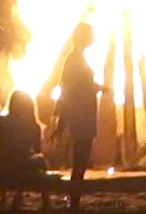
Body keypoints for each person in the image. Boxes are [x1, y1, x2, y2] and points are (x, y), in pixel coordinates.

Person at [53, 22, 100, 208]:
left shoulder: (77, 58)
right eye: (91, 33)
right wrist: (98, 87)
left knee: (80, 159)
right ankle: (74, 201)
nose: (94, 36)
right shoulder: (74, 59)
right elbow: (71, 88)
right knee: (80, 159)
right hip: (81, 116)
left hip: (82, 114)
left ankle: (75, 200)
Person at [0, 90, 48, 182]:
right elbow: (37, 149)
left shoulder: (1, 122)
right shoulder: (33, 126)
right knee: (40, 160)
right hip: (23, 166)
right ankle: (43, 192)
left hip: (2, 165)